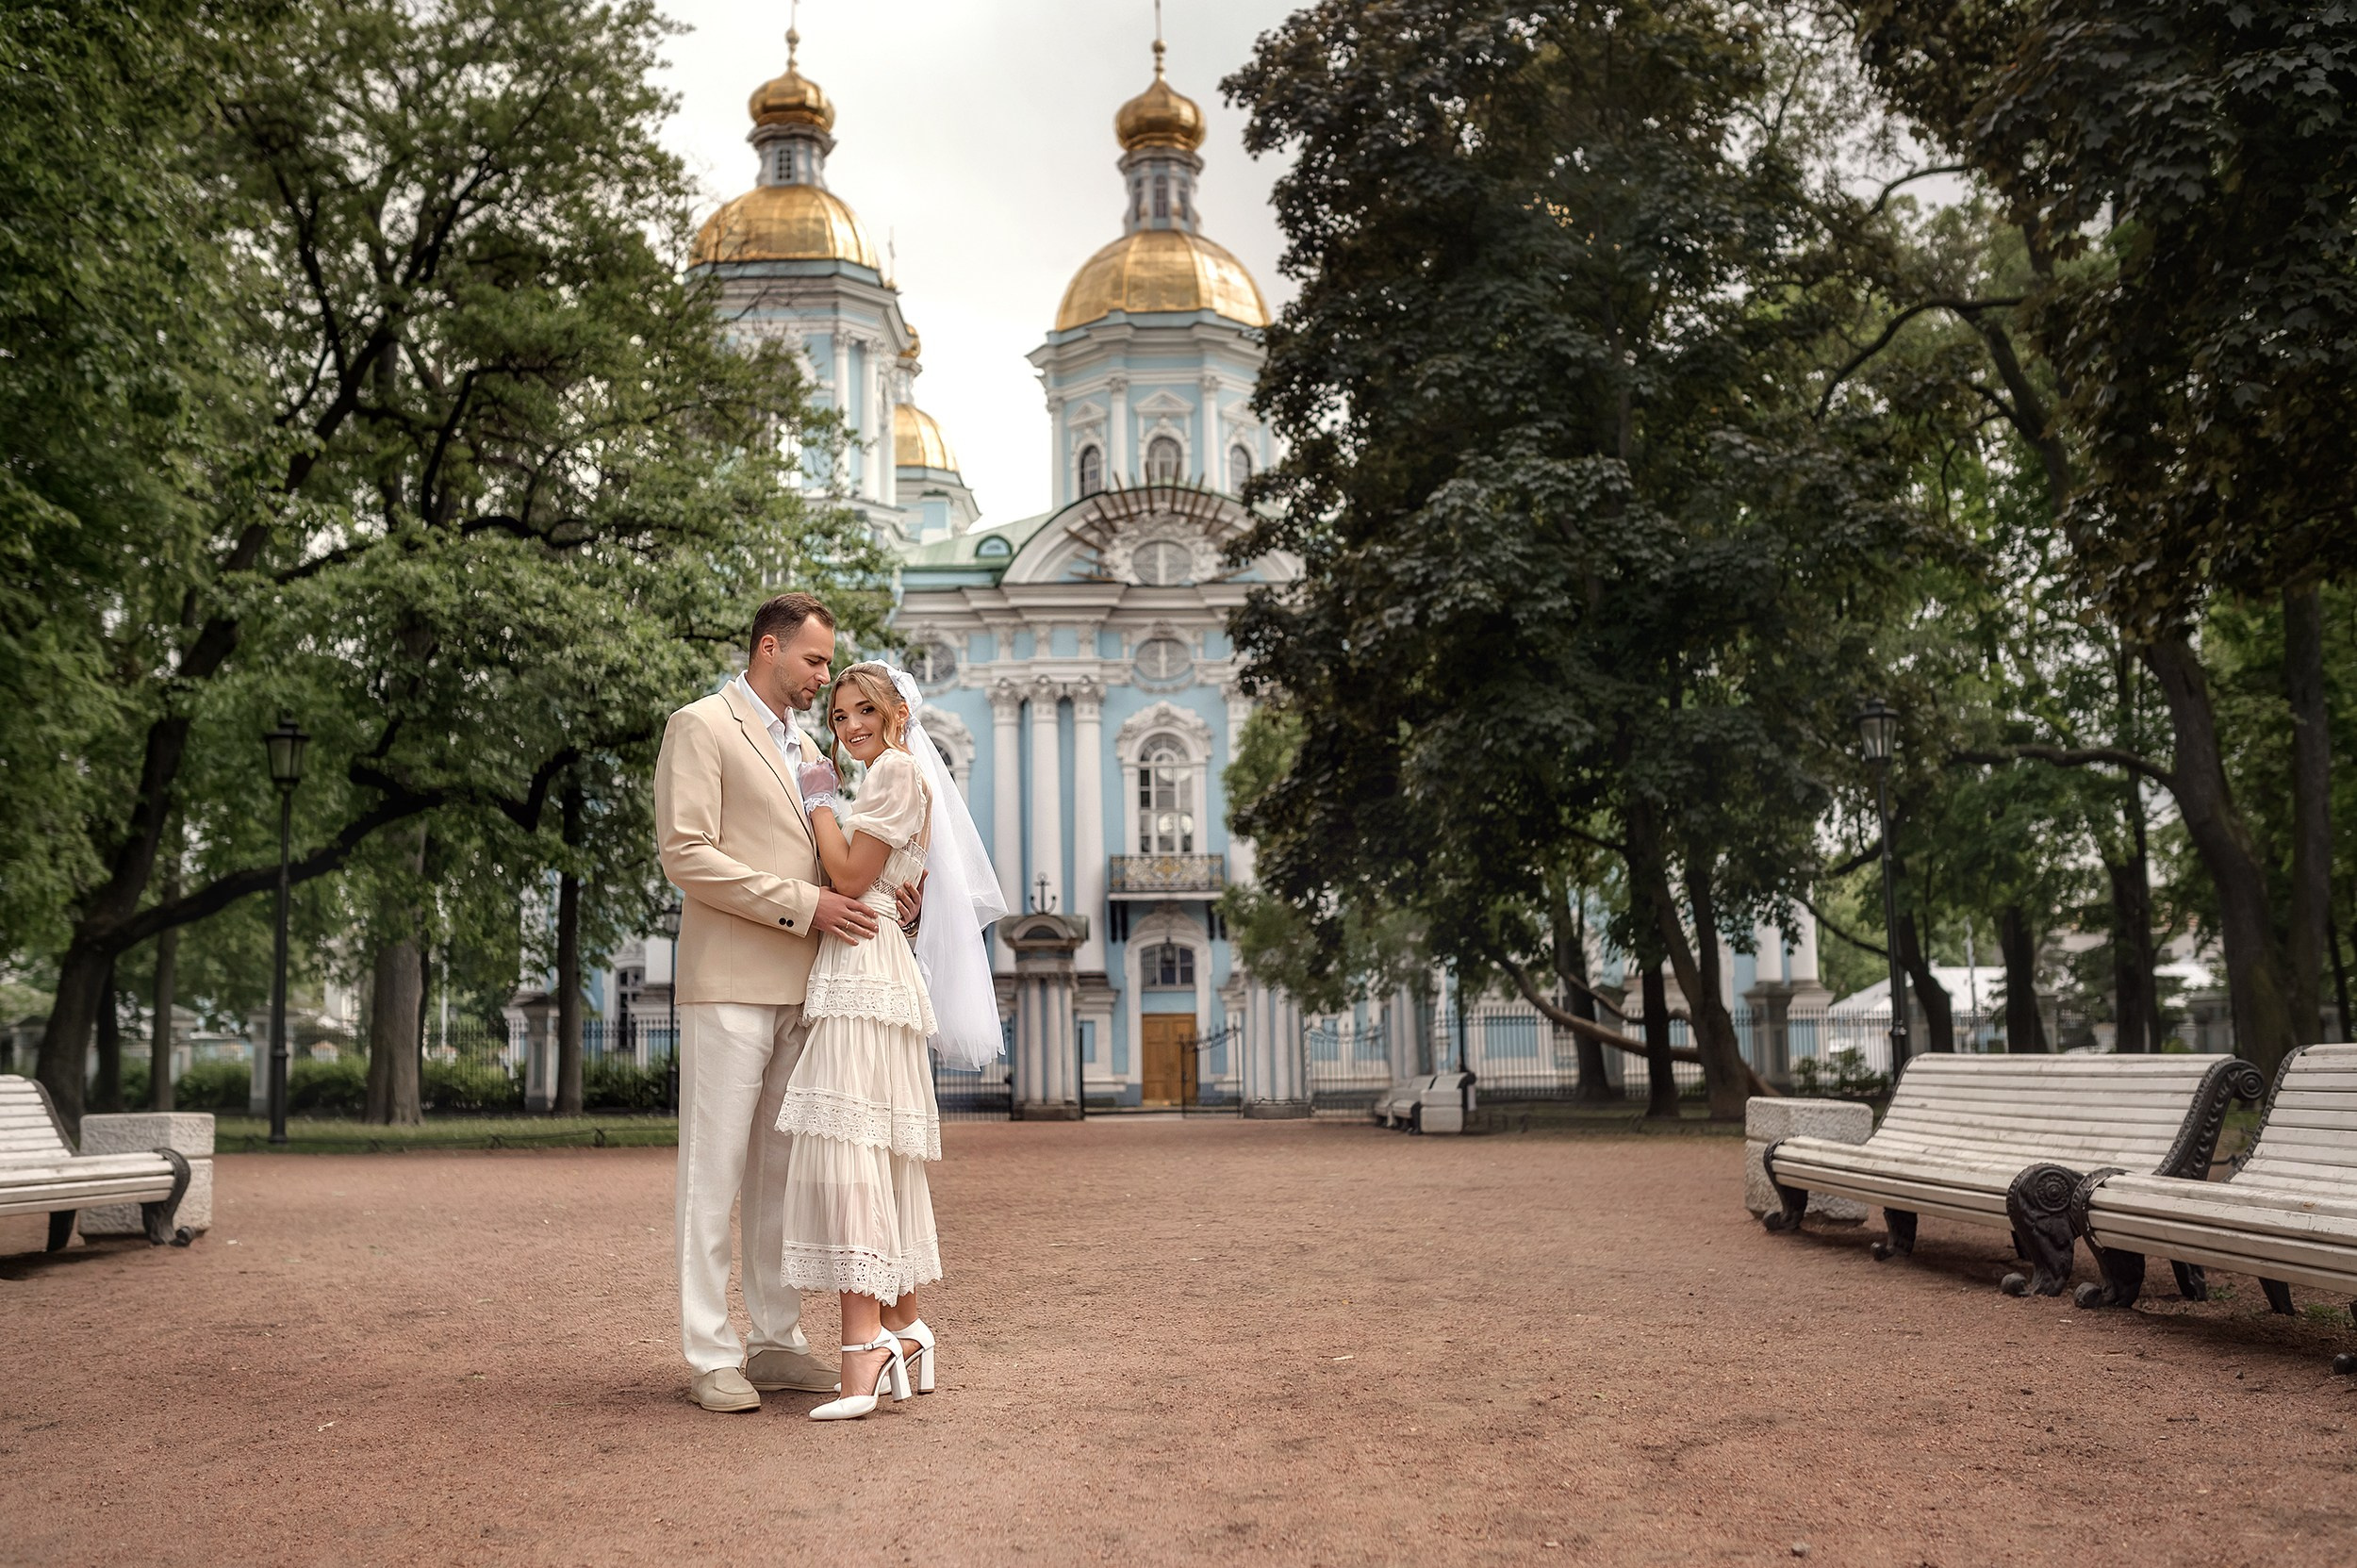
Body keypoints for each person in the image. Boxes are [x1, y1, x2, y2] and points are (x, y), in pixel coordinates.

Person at [652, 595, 922, 1414]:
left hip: (809, 989)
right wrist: (808, 908)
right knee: (713, 1175)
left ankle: (775, 1340)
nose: (823, 676)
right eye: (813, 661)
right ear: (769, 648)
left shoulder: (811, 747)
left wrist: (886, 899)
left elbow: (835, 856)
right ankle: (710, 1351)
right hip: (729, 981)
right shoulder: (699, 725)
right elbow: (687, 855)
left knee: (780, 1179)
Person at [776, 661, 1003, 1420]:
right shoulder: (894, 778)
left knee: (851, 1160)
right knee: (868, 1154)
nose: (849, 728)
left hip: (866, 974)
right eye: (839, 717)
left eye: (862, 710)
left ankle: (861, 1352)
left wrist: (817, 801)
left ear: (897, 711)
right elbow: (885, 887)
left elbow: (845, 876)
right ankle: (903, 1328)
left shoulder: (896, 774)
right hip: (872, 958)